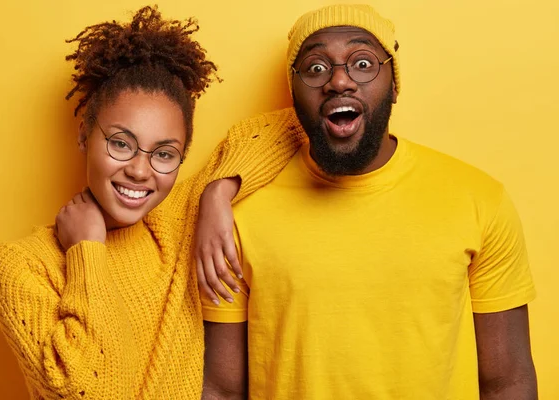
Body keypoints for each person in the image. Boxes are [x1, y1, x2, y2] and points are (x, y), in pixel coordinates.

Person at [200, 4, 537, 399]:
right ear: (293, 94)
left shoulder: (480, 199)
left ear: (395, 84)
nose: (339, 81)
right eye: (316, 68)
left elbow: (508, 380)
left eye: (362, 63)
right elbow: (221, 389)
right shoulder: (235, 217)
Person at [0, 6, 301, 399]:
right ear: (84, 135)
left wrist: (216, 193)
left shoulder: (177, 223)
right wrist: (87, 251)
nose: (140, 170)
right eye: (121, 143)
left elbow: (288, 126)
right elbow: (86, 389)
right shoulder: (21, 265)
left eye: (164, 154)